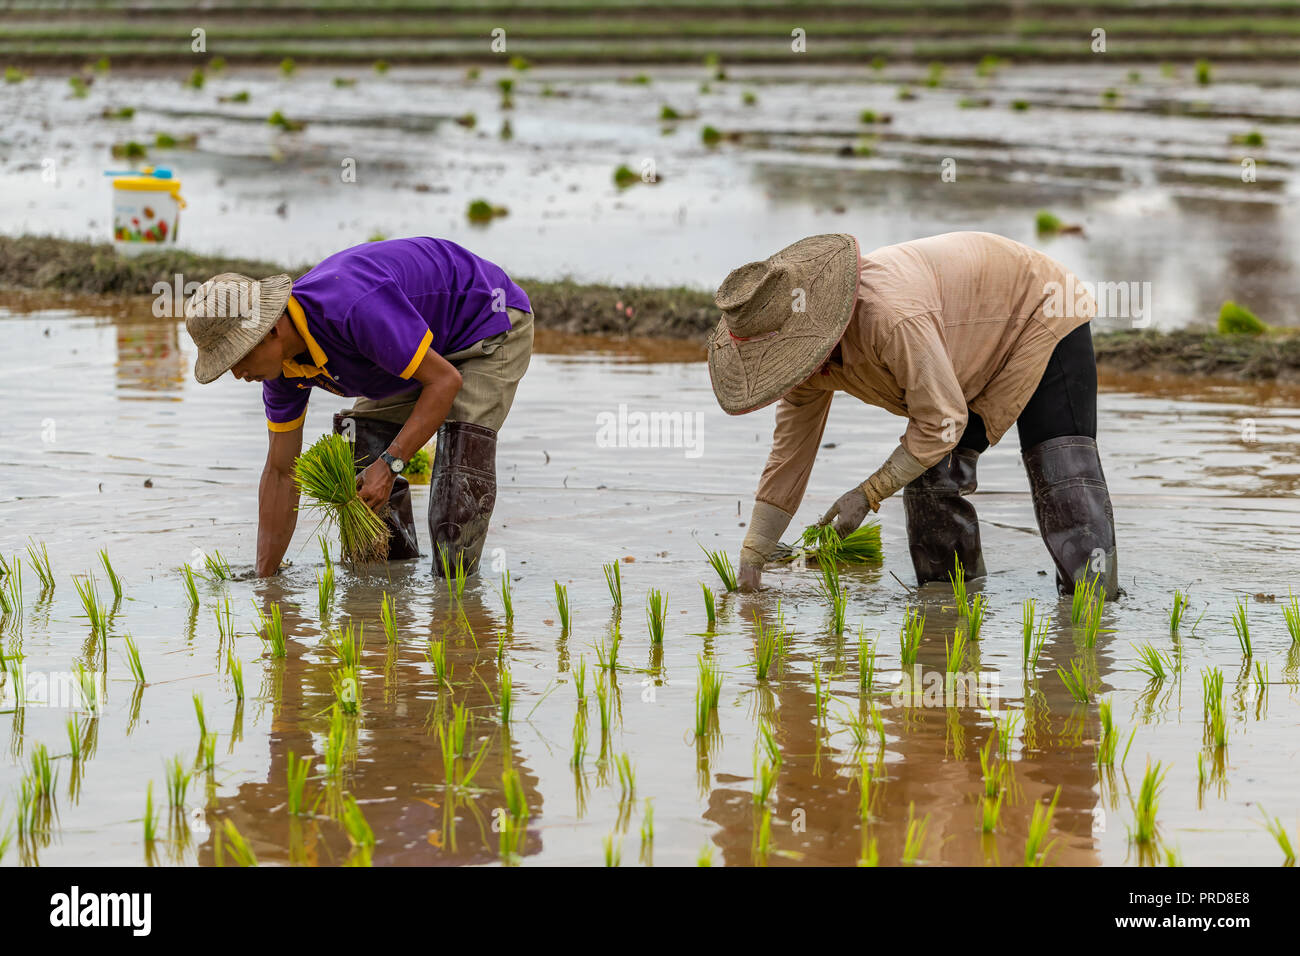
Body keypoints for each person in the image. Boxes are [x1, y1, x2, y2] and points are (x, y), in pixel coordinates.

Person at [708, 231, 1118, 598]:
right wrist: (752, 562)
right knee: (929, 482)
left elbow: (941, 423)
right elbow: (788, 459)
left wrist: (867, 494)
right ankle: (952, 609)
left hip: (1039, 308)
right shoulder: (804, 371)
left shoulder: (889, 319)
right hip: (959, 351)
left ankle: (1097, 606)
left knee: (1063, 474)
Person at [183, 237, 533, 578]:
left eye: (238, 357)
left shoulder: (351, 309)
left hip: (484, 325)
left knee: (460, 466)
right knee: (361, 448)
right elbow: (280, 472)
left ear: (272, 330)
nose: (237, 373)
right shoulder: (280, 374)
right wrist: (265, 581)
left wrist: (392, 465)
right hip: (414, 346)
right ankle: (390, 583)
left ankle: (455, 597)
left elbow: (445, 382)